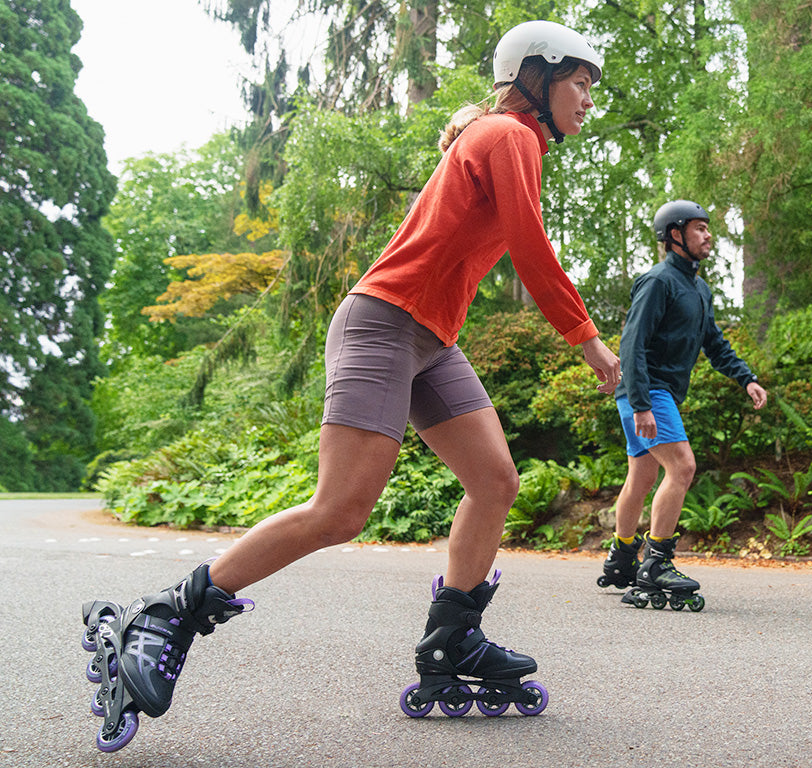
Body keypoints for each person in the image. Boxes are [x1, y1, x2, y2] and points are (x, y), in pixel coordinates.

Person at [81, 20, 620, 750]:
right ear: (537, 76)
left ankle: (453, 638)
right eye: (580, 83)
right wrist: (589, 342)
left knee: (495, 481)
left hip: (430, 338)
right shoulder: (509, 136)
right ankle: (165, 615)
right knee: (340, 510)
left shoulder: (503, 138)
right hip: (385, 323)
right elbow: (531, 248)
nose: (588, 99)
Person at [598, 199, 767, 609]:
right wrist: (641, 404)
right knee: (682, 466)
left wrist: (746, 378)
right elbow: (632, 344)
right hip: (647, 391)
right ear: (675, 235)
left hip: (654, 393)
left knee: (642, 475)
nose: (708, 235)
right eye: (699, 228)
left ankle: (622, 557)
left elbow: (715, 344)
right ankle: (656, 562)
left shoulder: (698, 288)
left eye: (708, 228)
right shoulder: (658, 281)